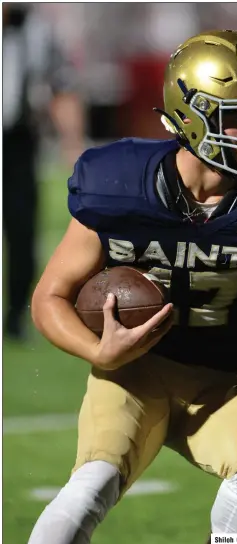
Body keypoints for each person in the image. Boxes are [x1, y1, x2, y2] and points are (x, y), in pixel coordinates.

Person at [22, 29, 237, 544]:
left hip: (226, 379)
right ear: (192, 117)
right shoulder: (118, 184)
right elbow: (50, 297)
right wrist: (99, 353)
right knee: (92, 484)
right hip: (133, 370)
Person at [3, 3, 85, 340]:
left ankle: (16, 319)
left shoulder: (38, 31)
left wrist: (72, 142)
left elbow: (62, 87)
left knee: (23, 231)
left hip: (19, 143)